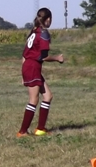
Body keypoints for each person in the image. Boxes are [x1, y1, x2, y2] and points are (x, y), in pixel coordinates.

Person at [17, 7, 64, 137]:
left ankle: (41, 129)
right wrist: (57, 58)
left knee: (48, 96)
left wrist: (23, 74)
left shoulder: (34, 31)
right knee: (33, 99)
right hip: (33, 67)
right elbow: (43, 57)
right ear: (48, 19)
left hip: (29, 66)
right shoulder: (43, 33)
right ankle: (22, 132)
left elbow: (24, 55)